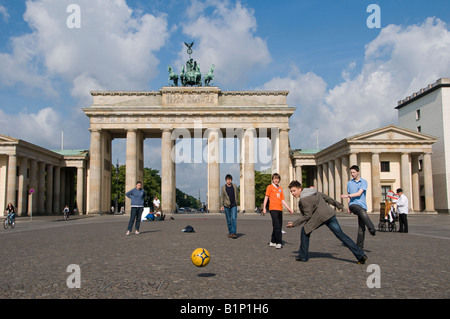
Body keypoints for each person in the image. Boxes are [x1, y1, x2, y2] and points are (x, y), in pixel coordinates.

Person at [287, 181, 368, 264]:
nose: (293, 193)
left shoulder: (304, 199)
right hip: (329, 215)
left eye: (294, 191)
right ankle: (361, 255)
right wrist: (337, 204)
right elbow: (326, 198)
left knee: (304, 231)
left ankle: (303, 256)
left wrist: (294, 224)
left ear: (300, 189)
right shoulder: (313, 191)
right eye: (291, 191)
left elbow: (308, 215)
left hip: (320, 217)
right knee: (341, 235)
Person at [341, 165, 376, 250]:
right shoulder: (349, 183)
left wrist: (346, 195)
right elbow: (350, 197)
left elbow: (359, 193)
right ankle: (371, 228)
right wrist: (348, 206)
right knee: (360, 211)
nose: (352, 174)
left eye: (353, 172)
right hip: (353, 204)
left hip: (362, 205)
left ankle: (359, 246)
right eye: (351, 173)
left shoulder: (363, 182)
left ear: (358, 172)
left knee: (361, 226)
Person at [262, 173, 293, 248]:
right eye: (275, 178)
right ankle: (279, 242)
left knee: (278, 225)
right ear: (272, 179)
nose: (276, 180)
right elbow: (266, 197)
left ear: (279, 180)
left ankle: (273, 241)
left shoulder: (280, 189)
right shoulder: (269, 187)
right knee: (277, 226)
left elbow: (282, 199)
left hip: (279, 209)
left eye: (277, 178)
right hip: (273, 208)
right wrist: (264, 207)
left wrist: (289, 208)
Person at [220, 174, 239, 239]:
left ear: (231, 180)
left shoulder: (235, 186)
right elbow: (222, 197)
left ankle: (234, 233)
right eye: (227, 180)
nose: (229, 181)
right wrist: (221, 205)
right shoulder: (223, 188)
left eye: (230, 180)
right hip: (226, 205)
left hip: (233, 205)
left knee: (233, 218)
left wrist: (236, 202)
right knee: (228, 220)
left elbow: (237, 194)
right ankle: (230, 232)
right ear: (226, 180)